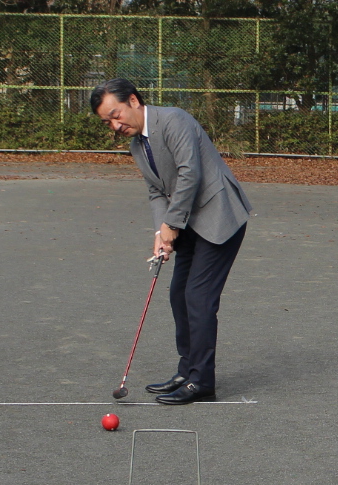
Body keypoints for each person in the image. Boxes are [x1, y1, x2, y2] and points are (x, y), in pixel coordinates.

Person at [93, 79, 252, 406]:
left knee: (198, 296)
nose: (115, 125)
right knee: (179, 293)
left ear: (133, 101)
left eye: (116, 114)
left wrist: (170, 225)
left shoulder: (174, 120)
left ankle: (202, 383)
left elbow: (189, 173)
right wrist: (159, 232)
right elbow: (156, 191)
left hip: (219, 215)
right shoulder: (137, 145)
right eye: (107, 121)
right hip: (189, 222)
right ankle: (187, 370)